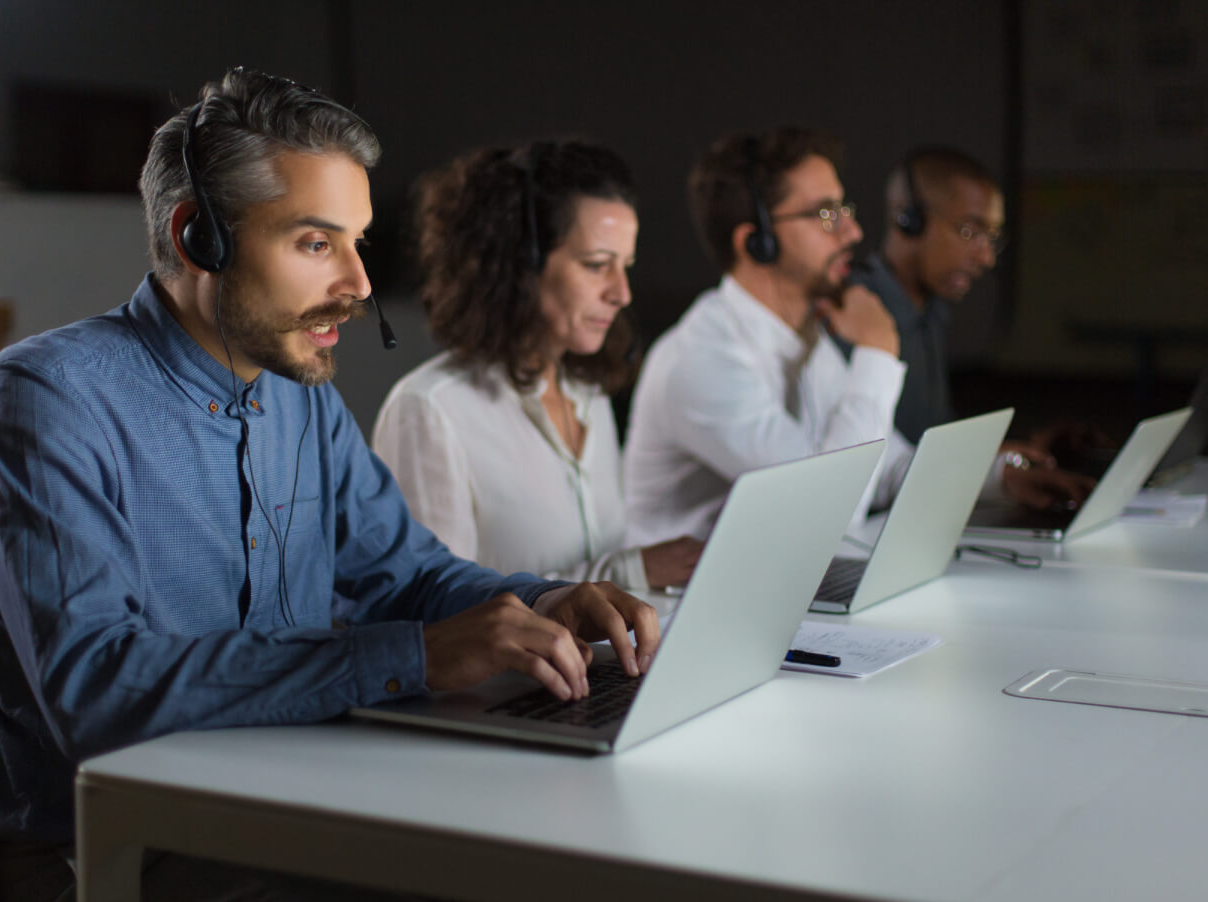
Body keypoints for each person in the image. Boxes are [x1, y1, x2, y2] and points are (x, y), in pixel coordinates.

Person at [0, 68, 658, 902]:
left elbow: (408, 575)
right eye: (316, 242)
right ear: (195, 237)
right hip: (112, 855)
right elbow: (96, 695)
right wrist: (409, 655)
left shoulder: (298, 394)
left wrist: (545, 602)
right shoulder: (48, 399)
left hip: (287, 810)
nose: (360, 285)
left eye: (358, 244)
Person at [373, 140, 701, 590]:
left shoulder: (589, 395)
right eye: (596, 264)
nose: (621, 293)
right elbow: (435, 614)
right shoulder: (429, 411)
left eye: (625, 266)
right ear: (519, 266)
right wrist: (631, 573)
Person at [624, 126, 911, 545]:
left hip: (767, 582)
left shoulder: (804, 336)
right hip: (676, 605)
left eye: (843, 209)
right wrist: (877, 353)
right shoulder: (700, 358)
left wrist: (1001, 477)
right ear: (757, 242)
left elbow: (886, 467)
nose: (853, 232)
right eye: (826, 214)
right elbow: (829, 510)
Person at [851, 147, 1096, 507]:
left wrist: (1008, 455)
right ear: (909, 219)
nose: (986, 257)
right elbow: (870, 465)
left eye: (992, 238)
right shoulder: (855, 314)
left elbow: (925, 443)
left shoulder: (928, 312)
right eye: (970, 231)